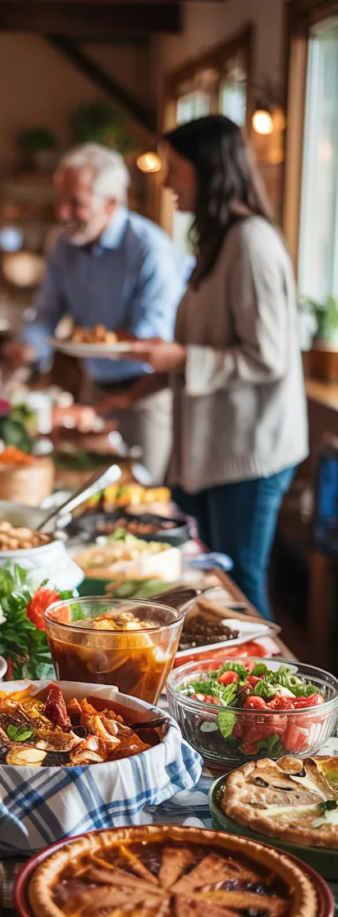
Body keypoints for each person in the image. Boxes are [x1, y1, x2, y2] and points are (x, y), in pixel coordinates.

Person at [120, 115, 308, 619]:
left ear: (209, 171)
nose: (164, 182)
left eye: (174, 169)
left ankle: (267, 691)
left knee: (240, 581)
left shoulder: (252, 243)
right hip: (212, 448)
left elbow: (267, 355)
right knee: (201, 576)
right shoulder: (217, 242)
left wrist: (179, 357)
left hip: (250, 450)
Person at [1, 143, 188, 483]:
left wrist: (113, 351)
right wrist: (28, 347)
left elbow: (152, 337)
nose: (62, 212)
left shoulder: (149, 250)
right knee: (85, 481)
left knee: (140, 490)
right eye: (59, 200)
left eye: (76, 203)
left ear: (111, 203)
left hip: (146, 393)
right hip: (95, 388)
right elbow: (47, 313)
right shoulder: (62, 245)